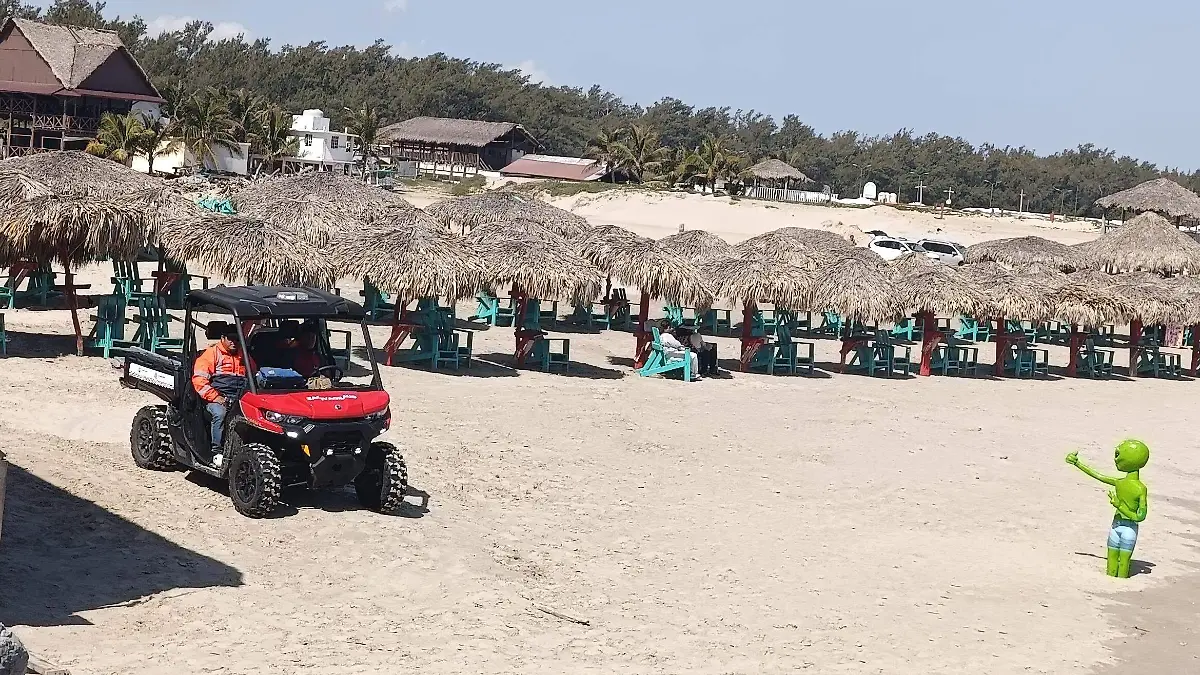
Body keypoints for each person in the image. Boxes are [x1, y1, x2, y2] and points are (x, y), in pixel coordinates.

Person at [1065, 440, 1150, 579]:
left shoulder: (1139, 488)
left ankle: (1119, 582)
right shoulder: (1126, 484)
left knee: (1123, 561)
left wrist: (1119, 506)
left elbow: (1140, 516)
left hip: (1126, 527)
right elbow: (1098, 476)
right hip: (1119, 526)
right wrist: (1077, 463)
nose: (1116, 458)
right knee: (1113, 558)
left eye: (1118, 454)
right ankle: (1114, 580)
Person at [192, 324, 253, 461]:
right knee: (220, 414)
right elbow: (199, 380)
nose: (233, 342)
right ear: (222, 338)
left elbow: (254, 374)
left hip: (239, 396)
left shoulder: (243, 355)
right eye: (230, 339)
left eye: (236, 339)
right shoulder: (211, 354)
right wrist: (216, 397)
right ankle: (216, 452)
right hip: (216, 398)